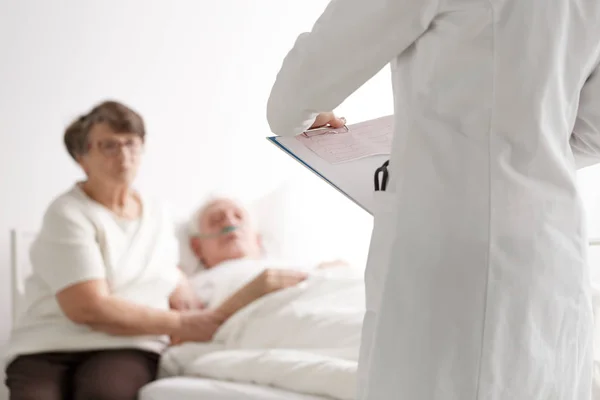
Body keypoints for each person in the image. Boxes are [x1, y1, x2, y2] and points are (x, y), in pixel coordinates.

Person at [266, 2, 600, 399]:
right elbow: (591, 134)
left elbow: (291, 104)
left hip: (446, 252)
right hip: (552, 252)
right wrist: (520, 157)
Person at [4, 101, 225, 400]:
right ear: (82, 158)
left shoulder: (161, 214)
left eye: (131, 144)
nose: (123, 155)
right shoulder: (68, 212)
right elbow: (87, 307)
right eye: (109, 146)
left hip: (129, 345)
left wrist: (179, 280)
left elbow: (159, 264)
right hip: (48, 345)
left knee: (105, 392)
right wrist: (183, 324)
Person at [185, 196, 350, 310]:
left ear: (257, 239)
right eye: (216, 220)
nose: (230, 221)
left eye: (238, 217)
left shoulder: (296, 266)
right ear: (197, 247)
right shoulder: (195, 287)